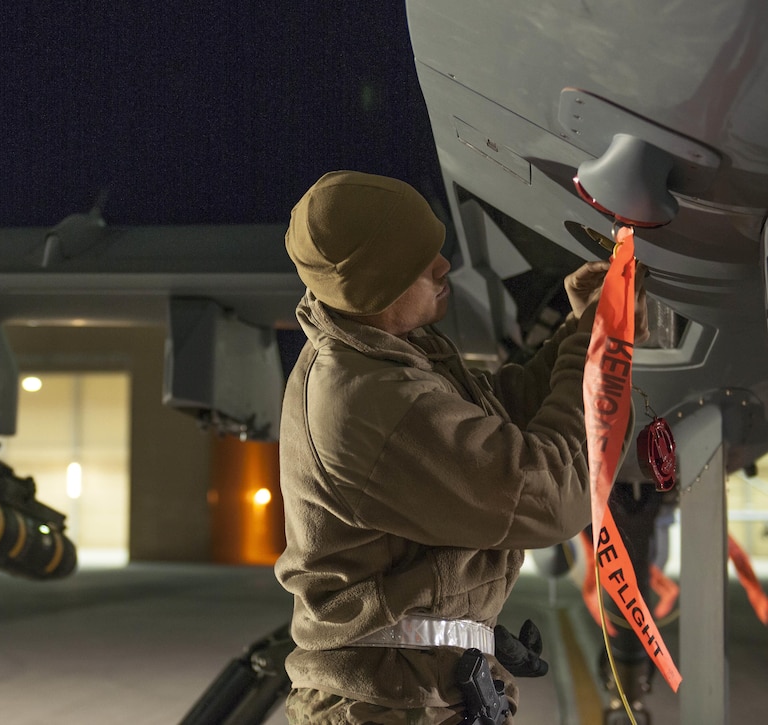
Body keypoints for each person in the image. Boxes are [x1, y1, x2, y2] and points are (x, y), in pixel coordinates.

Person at [274, 170, 644, 724]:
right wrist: (594, 350)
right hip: (390, 704)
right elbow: (548, 496)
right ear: (378, 286)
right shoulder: (370, 399)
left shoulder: (387, 356)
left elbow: (501, 418)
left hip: (412, 693)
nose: (443, 266)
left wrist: (577, 329)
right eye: (419, 262)